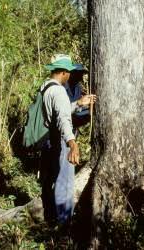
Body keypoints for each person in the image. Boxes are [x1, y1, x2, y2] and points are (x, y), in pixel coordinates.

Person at [40, 54, 95, 226]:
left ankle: (52, 216)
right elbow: (63, 120)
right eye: (69, 72)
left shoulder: (46, 87)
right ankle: (64, 223)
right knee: (65, 181)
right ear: (63, 72)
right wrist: (72, 144)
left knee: (52, 179)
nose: (71, 75)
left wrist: (78, 103)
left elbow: (60, 110)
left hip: (48, 140)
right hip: (61, 141)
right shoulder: (60, 91)